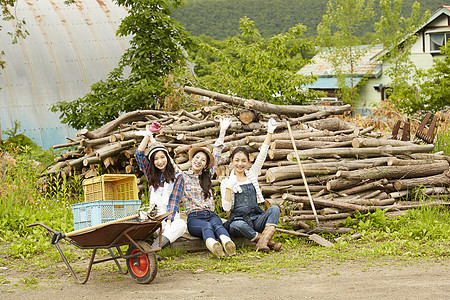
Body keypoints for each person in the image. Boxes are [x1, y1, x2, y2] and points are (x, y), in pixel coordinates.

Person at [167, 117, 236, 258]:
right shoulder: (182, 177)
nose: (199, 161)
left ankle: (228, 244)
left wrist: (222, 131)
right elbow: (170, 164)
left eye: (203, 160)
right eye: (197, 158)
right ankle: (214, 247)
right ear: (192, 159)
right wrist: (152, 139)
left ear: (205, 165)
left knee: (218, 226)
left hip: (211, 214)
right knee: (207, 227)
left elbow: (216, 154)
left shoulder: (206, 177)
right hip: (194, 218)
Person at [220, 118, 282, 253]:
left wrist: (270, 132)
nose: (240, 164)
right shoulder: (227, 181)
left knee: (275, 209)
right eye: (237, 160)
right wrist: (229, 188)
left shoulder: (252, 174)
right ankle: (268, 242)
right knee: (238, 225)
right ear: (231, 161)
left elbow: (262, 155)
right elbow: (226, 208)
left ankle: (262, 242)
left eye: (243, 161)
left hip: (255, 218)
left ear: (248, 162)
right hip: (238, 220)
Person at [135, 124, 187, 251]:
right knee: (136, 217)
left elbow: (174, 201)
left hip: (169, 219)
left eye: (162, 157)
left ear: (167, 158)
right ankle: (145, 246)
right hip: (153, 218)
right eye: (156, 159)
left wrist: (169, 222)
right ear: (152, 162)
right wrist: (148, 135)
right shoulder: (151, 174)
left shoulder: (178, 176)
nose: (160, 161)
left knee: (181, 225)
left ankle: (151, 250)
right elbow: (139, 155)